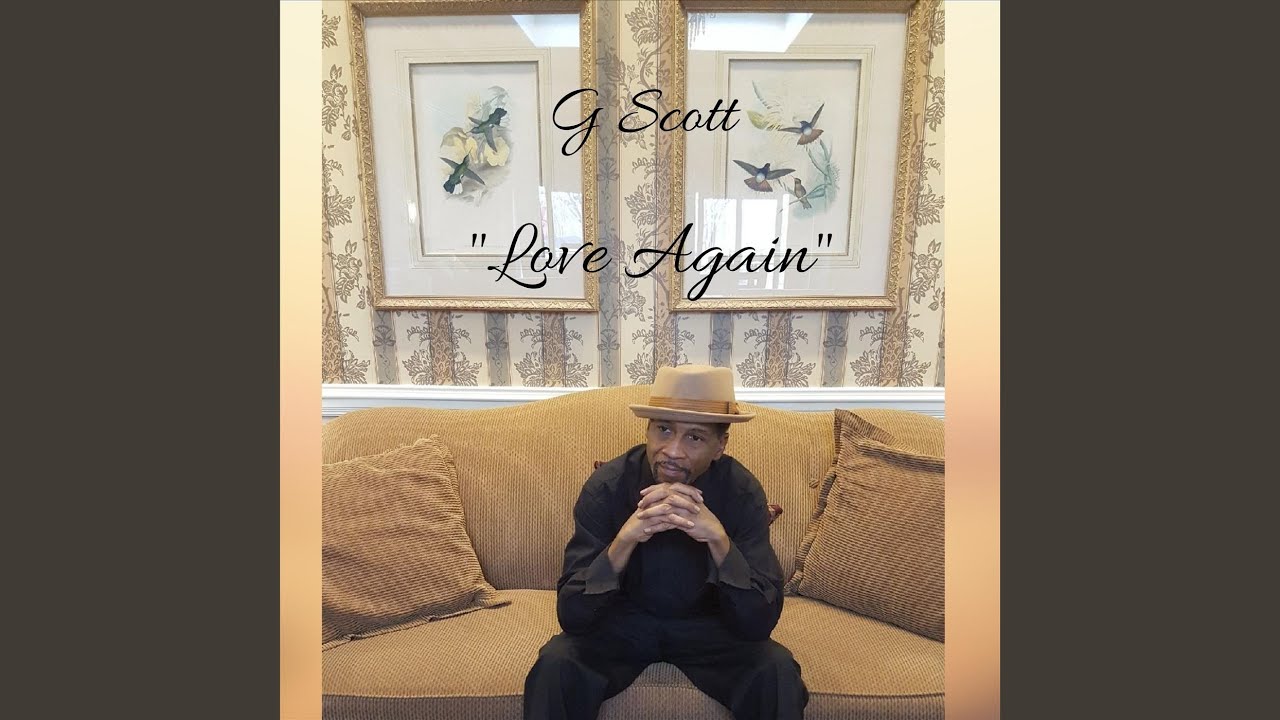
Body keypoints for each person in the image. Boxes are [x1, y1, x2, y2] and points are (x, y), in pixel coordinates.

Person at [523, 364, 809, 720]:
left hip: (709, 627)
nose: (672, 450)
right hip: (621, 624)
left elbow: (759, 622)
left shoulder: (742, 493)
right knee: (555, 665)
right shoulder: (608, 486)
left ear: (720, 446)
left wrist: (718, 540)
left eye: (694, 438)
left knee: (776, 670)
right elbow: (572, 615)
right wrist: (624, 540)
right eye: (664, 429)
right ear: (648, 429)